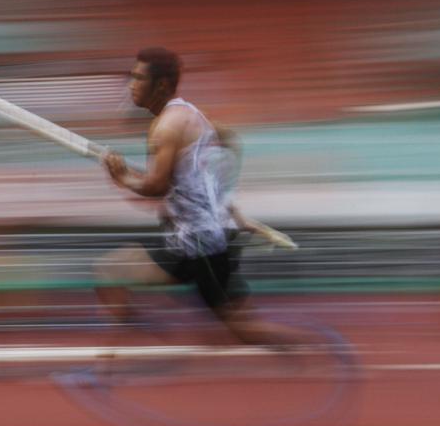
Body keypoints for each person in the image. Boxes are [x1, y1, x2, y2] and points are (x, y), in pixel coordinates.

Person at [97, 47, 297, 346]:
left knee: (245, 330)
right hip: (199, 238)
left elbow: (156, 188)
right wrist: (229, 206)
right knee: (110, 271)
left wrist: (122, 177)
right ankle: (129, 346)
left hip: (201, 248)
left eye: (138, 78)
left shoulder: (165, 127)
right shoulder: (190, 113)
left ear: (161, 85)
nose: (131, 85)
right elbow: (230, 142)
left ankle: (317, 349)